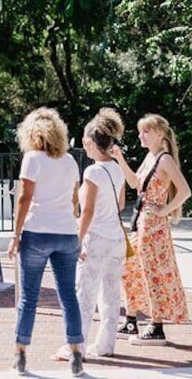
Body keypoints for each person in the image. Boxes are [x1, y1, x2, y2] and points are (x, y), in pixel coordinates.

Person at [7, 107, 85, 377]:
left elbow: (24, 198)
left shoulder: (32, 159)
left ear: (31, 133)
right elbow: (75, 201)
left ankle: (20, 353)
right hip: (66, 233)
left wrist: (15, 235)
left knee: (29, 298)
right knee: (68, 296)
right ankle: (76, 352)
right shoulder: (70, 162)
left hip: (37, 231)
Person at [110, 113, 191, 345]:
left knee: (151, 272)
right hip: (141, 220)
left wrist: (164, 210)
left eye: (146, 131)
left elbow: (185, 190)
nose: (141, 135)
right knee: (130, 267)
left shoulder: (164, 159)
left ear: (160, 134)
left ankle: (156, 325)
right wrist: (120, 159)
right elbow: (136, 183)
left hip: (153, 225)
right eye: (140, 131)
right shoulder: (150, 157)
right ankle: (132, 319)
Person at [53, 108, 127, 361]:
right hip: (116, 238)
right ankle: (106, 344)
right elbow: (120, 205)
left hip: (97, 238)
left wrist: (77, 239)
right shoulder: (116, 169)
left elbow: (88, 211)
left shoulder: (92, 172)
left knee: (84, 294)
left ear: (90, 142)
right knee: (111, 293)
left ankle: (77, 346)